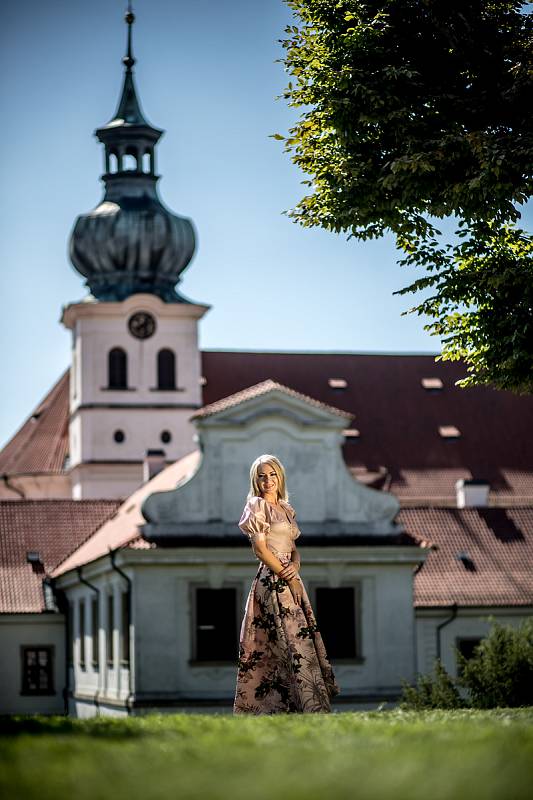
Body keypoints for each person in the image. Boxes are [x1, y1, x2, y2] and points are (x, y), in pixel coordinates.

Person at [233, 453, 340, 714]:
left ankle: (306, 705)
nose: (267, 480)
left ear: (280, 476)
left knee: (298, 640)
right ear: (255, 480)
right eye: (262, 476)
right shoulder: (257, 506)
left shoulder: (285, 508)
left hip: (290, 576)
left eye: (272, 474)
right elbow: (260, 550)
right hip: (273, 580)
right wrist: (288, 576)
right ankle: (285, 706)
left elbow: (293, 548)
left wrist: (296, 566)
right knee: (285, 642)